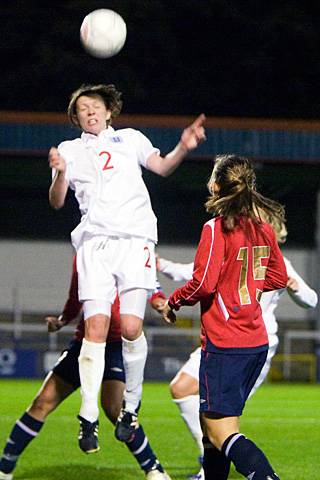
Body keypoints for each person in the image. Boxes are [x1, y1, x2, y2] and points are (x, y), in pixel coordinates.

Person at [48, 83, 206, 448]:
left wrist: (183, 146)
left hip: (135, 242)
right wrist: (58, 172)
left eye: (95, 106)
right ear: (76, 118)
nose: (90, 111)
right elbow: (57, 202)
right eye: (82, 108)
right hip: (95, 245)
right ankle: (88, 417)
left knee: (132, 327)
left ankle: (131, 408)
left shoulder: (131, 139)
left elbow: (162, 167)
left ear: (108, 112)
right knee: (97, 330)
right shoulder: (69, 150)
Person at [157, 219, 318, 479]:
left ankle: (234, 465)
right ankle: (209, 461)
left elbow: (311, 300)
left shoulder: (269, 258)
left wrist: (295, 287)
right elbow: (195, 273)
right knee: (190, 396)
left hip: (238, 341)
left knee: (223, 424)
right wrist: (161, 264)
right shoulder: (233, 246)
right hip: (229, 339)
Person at [161, 154, 288, 480]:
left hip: (226, 345)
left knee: (222, 434)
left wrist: (172, 302)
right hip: (255, 342)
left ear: (216, 185)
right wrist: (245, 286)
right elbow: (277, 277)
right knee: (210, 434)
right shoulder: (263, 228)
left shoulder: (216, 228)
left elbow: (203, 283)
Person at [0, 256, 171, 480]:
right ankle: (4, 469)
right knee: (42, 402)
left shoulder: (134, 246)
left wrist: (161, 303)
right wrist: (62, 320)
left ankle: (154, 468)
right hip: (85, 343)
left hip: (117, 345)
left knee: (114, 409)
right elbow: (75, 296)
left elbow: (151, 286)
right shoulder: (85, 250)